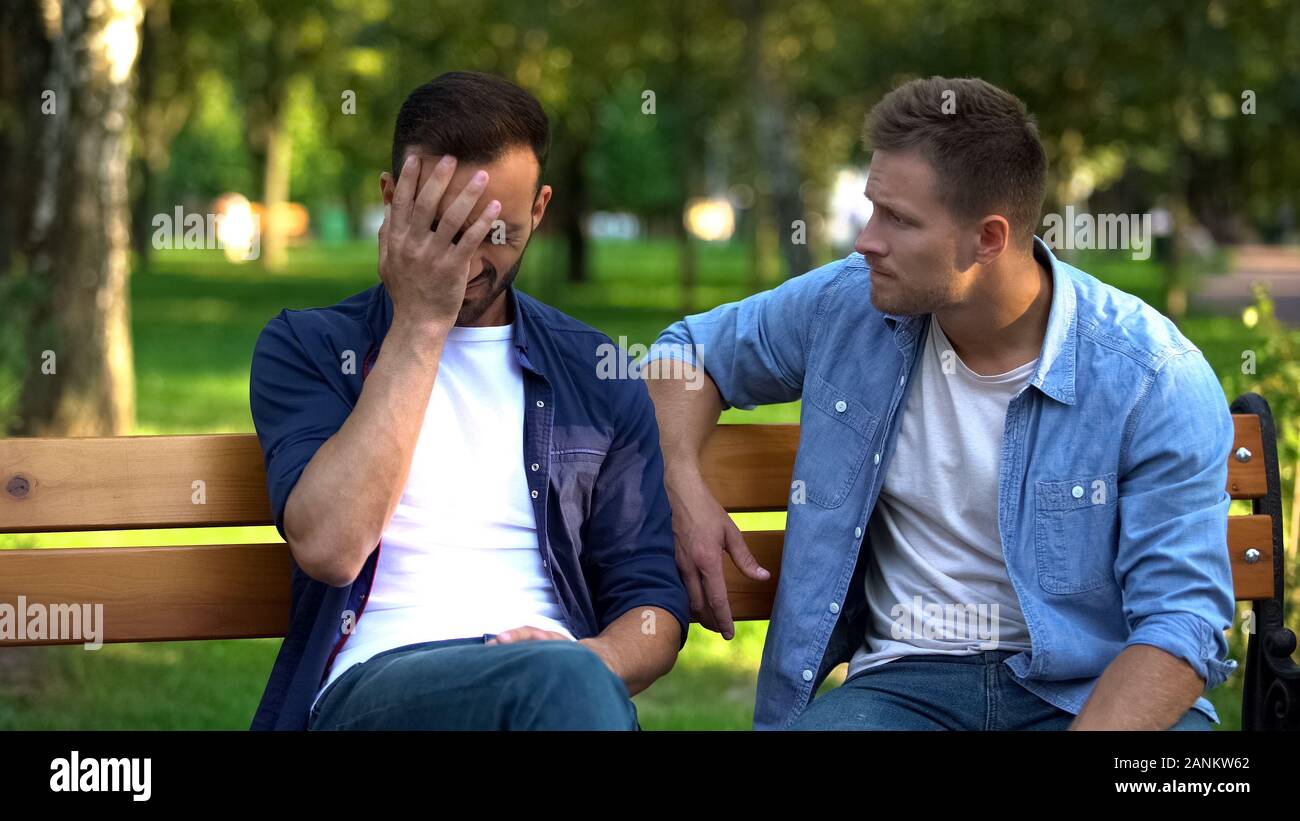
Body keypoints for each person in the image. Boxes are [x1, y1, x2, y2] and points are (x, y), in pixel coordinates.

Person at [646, 76, 1237, 731]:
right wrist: (682, 478)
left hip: (1085, 691)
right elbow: (684, 354)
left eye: (897, 219)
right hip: (901, 690)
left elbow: (1182, 624)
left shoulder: (1151, 375)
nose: (866, 240)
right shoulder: (847, 305)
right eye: (873, 209)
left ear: (987, 238)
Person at [247, 71, 688, 731]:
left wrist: (593, 656)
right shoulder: (308, 347)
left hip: (559, 684)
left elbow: (651, 602)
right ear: (393, 201)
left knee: (568, 685)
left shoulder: (596, 373)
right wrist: (421, 324)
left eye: (498, 234)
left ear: (539, 210)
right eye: (444, 230)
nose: (471, 263)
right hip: (379, 685)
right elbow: (332, 545)